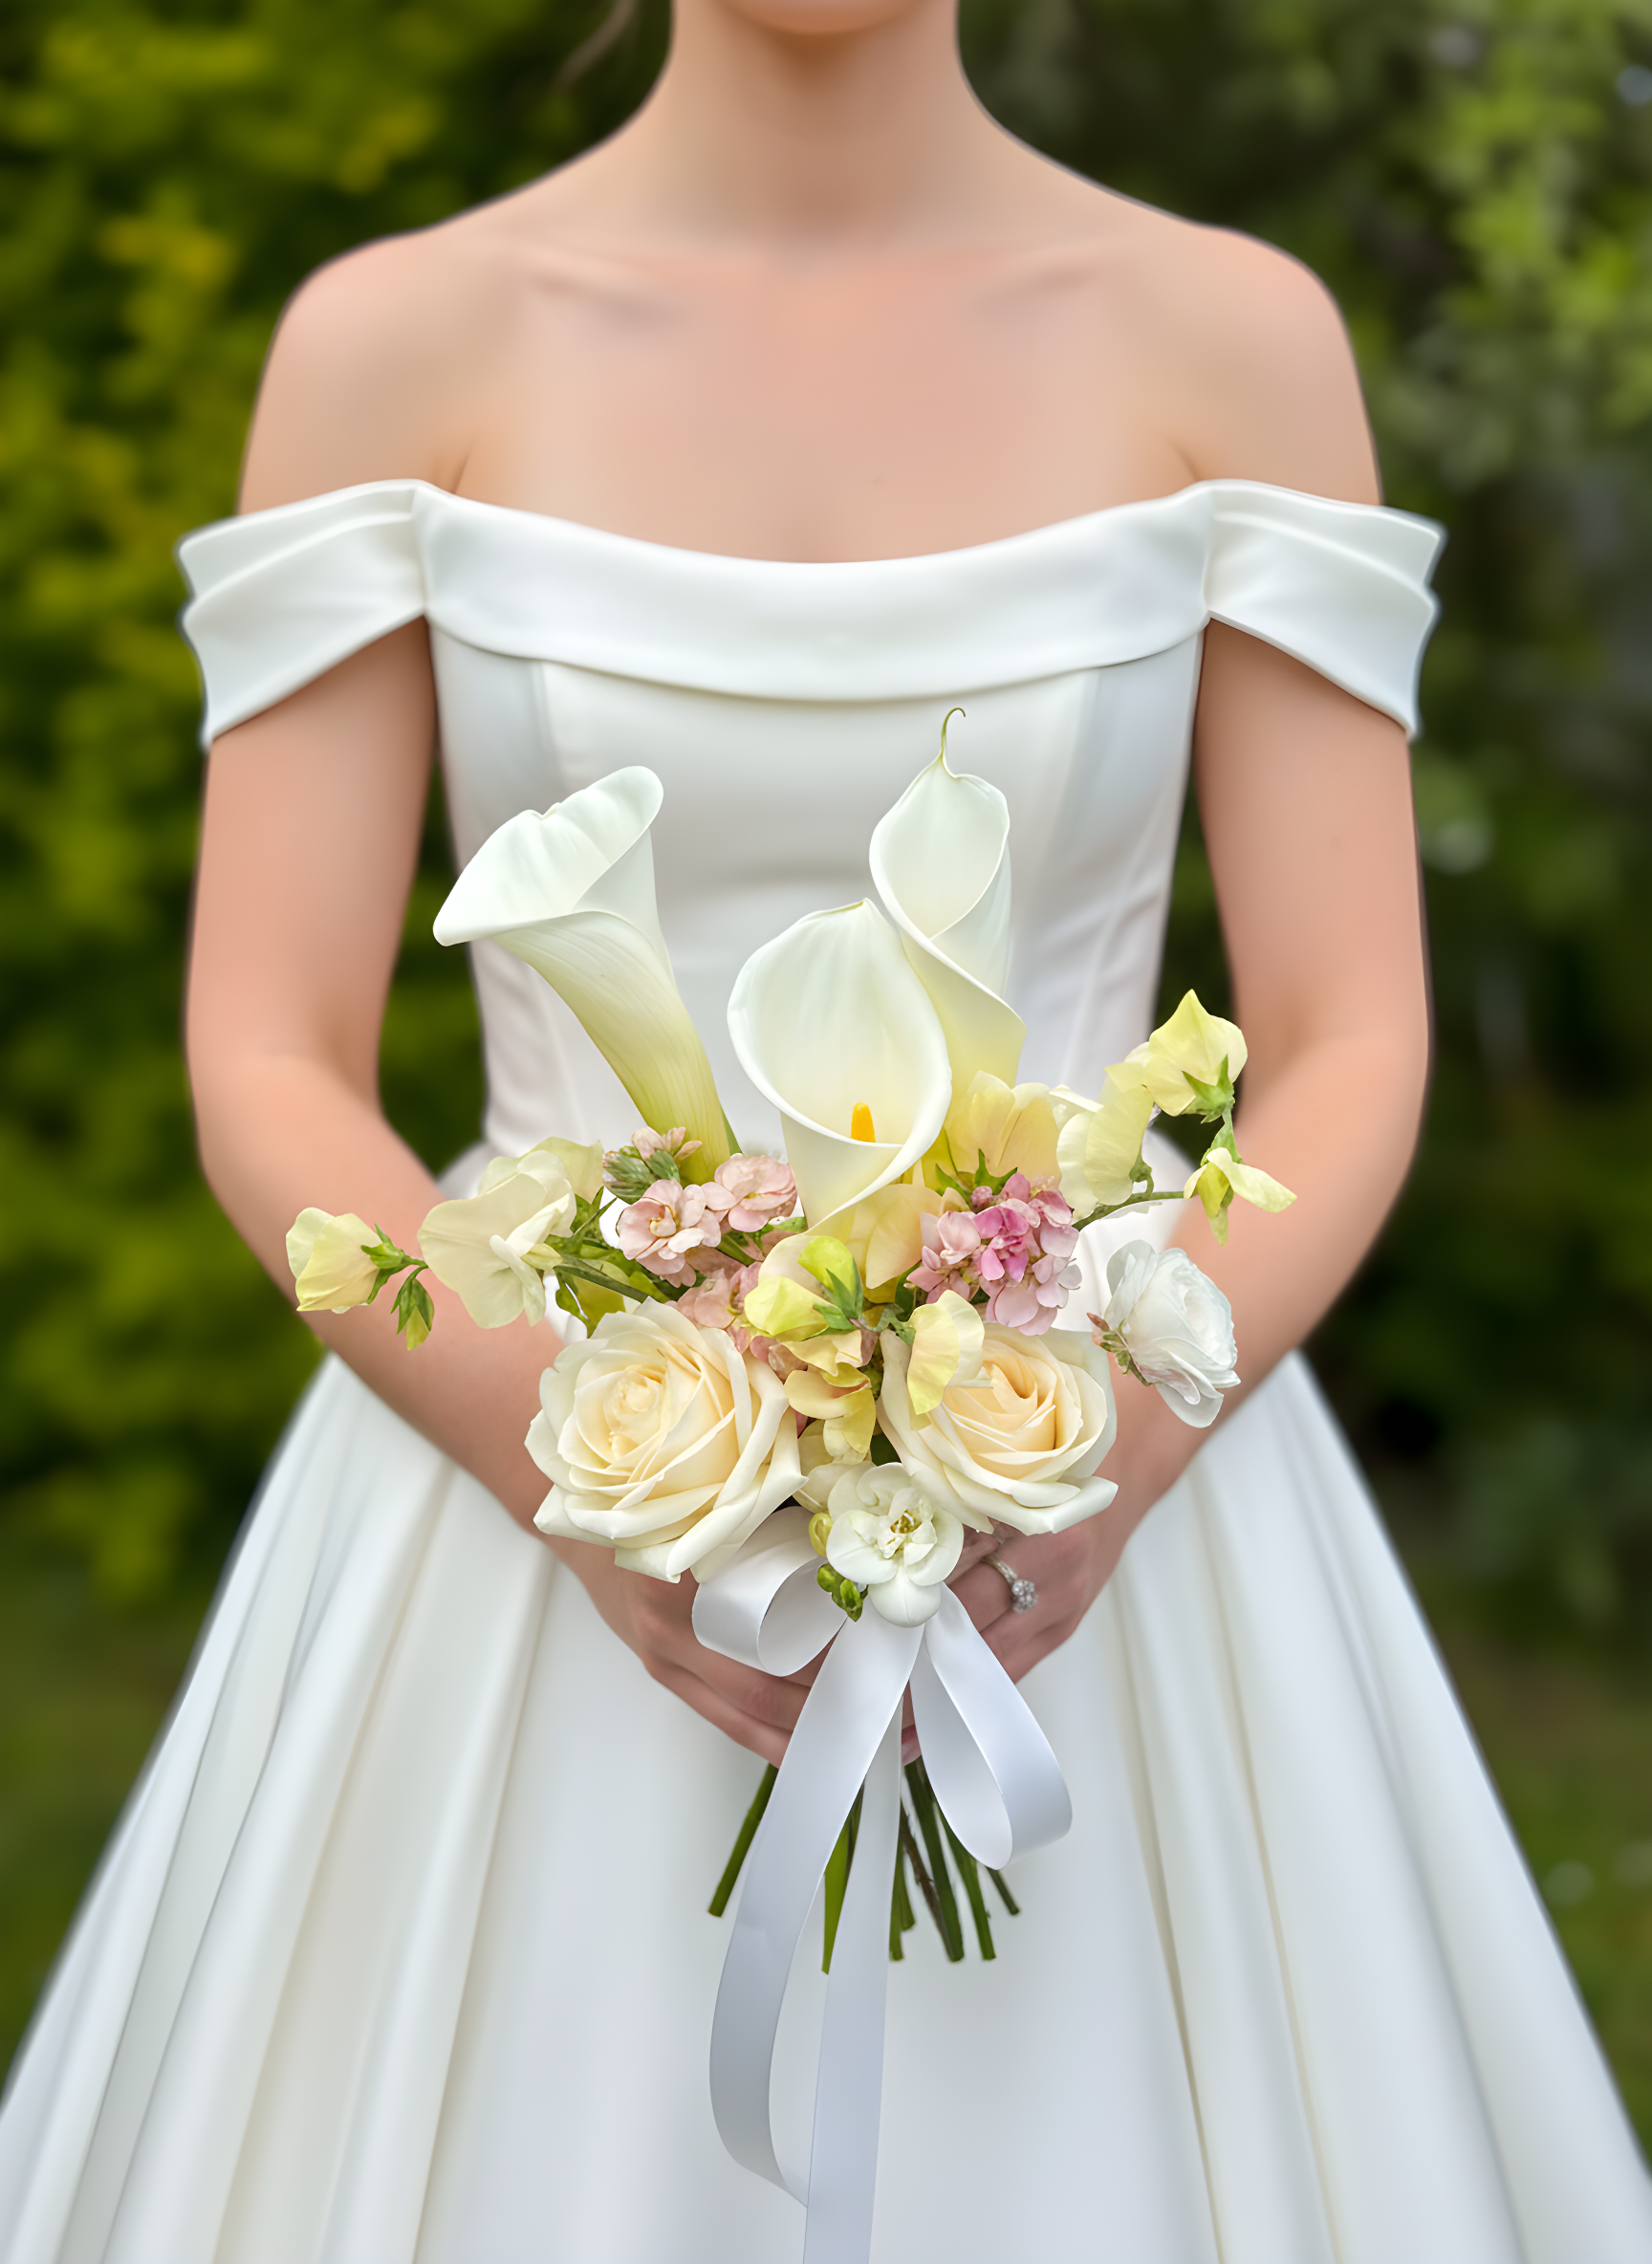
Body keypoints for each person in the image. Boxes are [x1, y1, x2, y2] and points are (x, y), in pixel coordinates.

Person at [3, 0, 1650, 2255]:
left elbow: (1356, 1033)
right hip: (532, 1505)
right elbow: (264, 1054)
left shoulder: (1232, 340)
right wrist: (586, 1478)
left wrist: (1096, 1464)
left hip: (1106, 1498)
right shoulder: (394, 347)